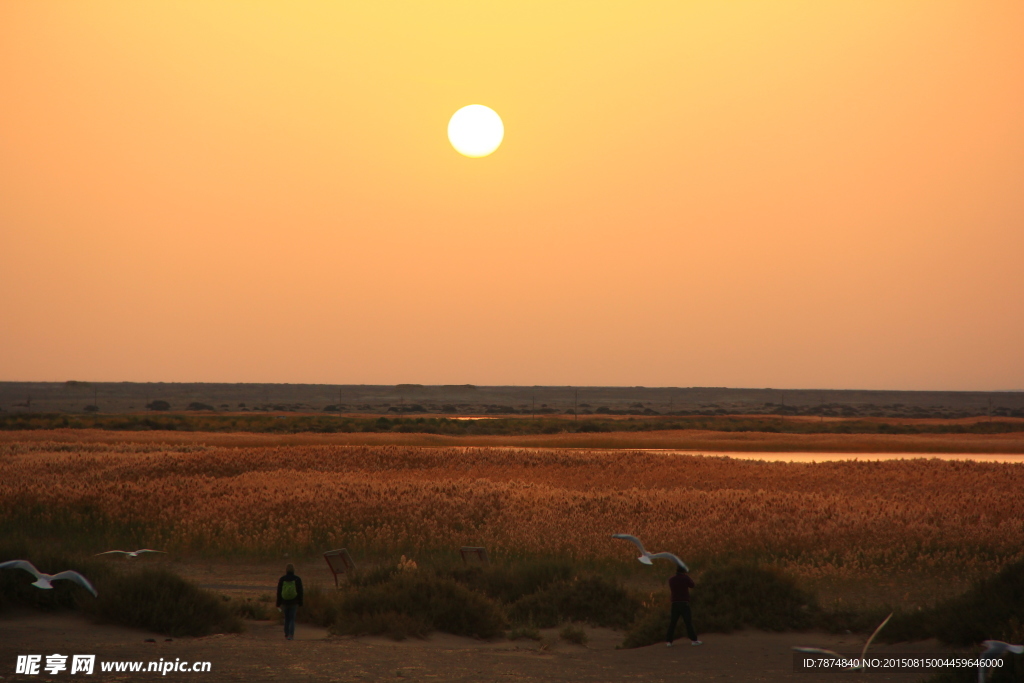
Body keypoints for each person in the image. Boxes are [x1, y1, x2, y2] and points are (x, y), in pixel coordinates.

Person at [666, 565, 701, 647]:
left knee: (673, 622)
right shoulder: (685, 578)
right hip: (684, 603)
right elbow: (692, 585)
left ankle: (669, 641)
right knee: (688, 622)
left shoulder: (671, 579)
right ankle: (694, 640)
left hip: (674, 603)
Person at [276, 564, 304, 640]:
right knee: (292, 618)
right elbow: (300, 591)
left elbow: (279, 592)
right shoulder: (297, 579)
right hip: (294, 602)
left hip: (284, 602)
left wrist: (278, 603)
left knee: (286, 618)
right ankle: (291, 635)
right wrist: (300, 602)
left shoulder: (282, 579)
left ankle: (286, 634)